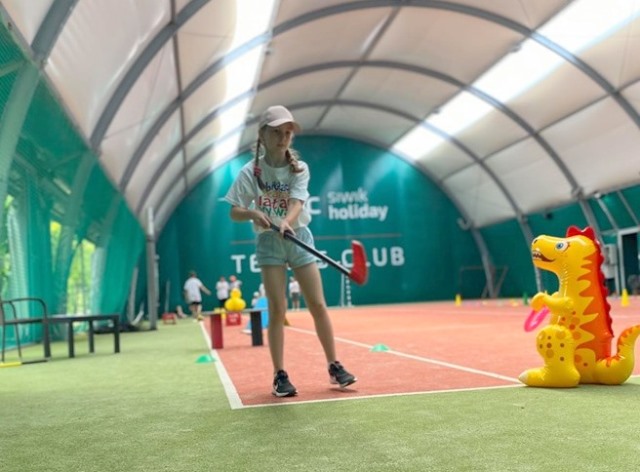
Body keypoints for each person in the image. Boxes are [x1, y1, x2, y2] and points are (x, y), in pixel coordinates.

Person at [225, 104, 357, 397]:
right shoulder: (250, 172)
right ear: (263, 135)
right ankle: (279, 375)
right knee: (277, 309)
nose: (283, 138)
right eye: (277, 132)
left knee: (317, 304)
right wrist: (253, 213)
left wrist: (286, 221)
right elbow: (234, 210)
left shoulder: (299, 168)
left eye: (288, 133)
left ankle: (334, 365)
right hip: (269, 241)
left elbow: (298, 202)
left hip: (299, 236)